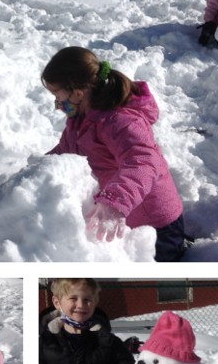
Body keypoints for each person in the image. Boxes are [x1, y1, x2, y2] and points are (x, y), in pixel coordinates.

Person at [42, 47, 190, 262]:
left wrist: (115, 202)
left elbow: (143, 162)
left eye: (57, 95)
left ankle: (181, 249)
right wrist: (34, 173)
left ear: (77, 93)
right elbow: (63, 153)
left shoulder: (119, 121)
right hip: (125, 215)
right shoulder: (79, 120)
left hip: (156, 224)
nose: (56, 103)